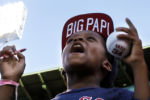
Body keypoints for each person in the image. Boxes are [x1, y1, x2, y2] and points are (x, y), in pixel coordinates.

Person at [0, 13, 149, 100]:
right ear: (63, 68)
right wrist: (9, 79)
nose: (77, 39)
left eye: (90, 38)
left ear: (107, 64)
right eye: (70, 40)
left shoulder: (119, 95)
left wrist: (138, 64)